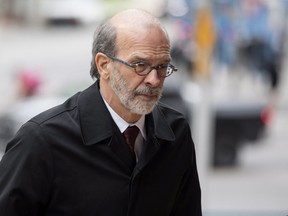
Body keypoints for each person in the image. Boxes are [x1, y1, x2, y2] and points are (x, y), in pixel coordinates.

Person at [0, 9, 202, 216]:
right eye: (140, 65)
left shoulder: (176, 132)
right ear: (104, 65)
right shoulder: (41, 140)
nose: (154, 79)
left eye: (162, 66)